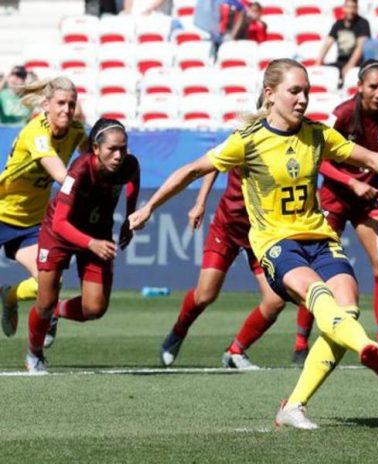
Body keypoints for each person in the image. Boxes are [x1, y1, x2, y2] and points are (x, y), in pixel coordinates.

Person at [128, 58, 378, 429]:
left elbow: (368, 157)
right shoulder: (248, 140)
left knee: (347, 311)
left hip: (319, 237)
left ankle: (294, 406)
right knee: (318, 297)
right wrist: (149, 207)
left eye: (306, 92)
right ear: (270, 94)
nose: (303, 99)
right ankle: (366, 347)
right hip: (277, 243)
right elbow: (193, 170)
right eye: (294, 91)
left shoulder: (317, 134)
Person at [293, 60, 378, 363]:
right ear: (360, 87)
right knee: (316, 273)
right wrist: (351, 182)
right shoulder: (341, 114)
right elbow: (319, 158)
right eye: (373, 87)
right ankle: (300, 342)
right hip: (335, 199)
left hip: (367, 199)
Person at [24, 118, 139, 374]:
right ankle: (34, 352)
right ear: (95, 148)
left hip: (98, 233)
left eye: (123, 148)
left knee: (95, 308)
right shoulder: (78, 172)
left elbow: (134, 175)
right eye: (112, 149)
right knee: (44, 302)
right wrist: (91, 243)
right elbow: (60, 223)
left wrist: (130, 216)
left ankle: (57, 312)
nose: (119, 155)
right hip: (59, 234)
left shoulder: (128, 164)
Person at [159, 168, 291, 370]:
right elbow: (211, 163)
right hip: (228, 227)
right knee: (205, 295)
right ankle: (179, 331)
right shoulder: (243, 146)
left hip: (263, 233)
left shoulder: (288, 151)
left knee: (275, 301)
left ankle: (235, 352)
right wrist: (200, 202)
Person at [0, 76, 87, 340]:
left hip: (30, 223)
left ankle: (9, 296)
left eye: (71, 104)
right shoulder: (36, 132)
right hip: (2, 210)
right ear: (46, 105)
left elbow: (91, 157)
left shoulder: (76, 131)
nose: (66, 110)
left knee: (51, 283)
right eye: (60, 103)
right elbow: (60, 174)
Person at [316, 0, 371, 79]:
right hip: (340, 62)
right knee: (324, 72)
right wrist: (317, 64)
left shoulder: (363, 23)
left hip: (357, 64)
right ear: (343, 8)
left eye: (353, 7)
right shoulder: (338, 24)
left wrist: (350, 66)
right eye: (348, 7)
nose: (351, 10)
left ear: (357, 9)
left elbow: (360, 47)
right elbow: (327, 45)